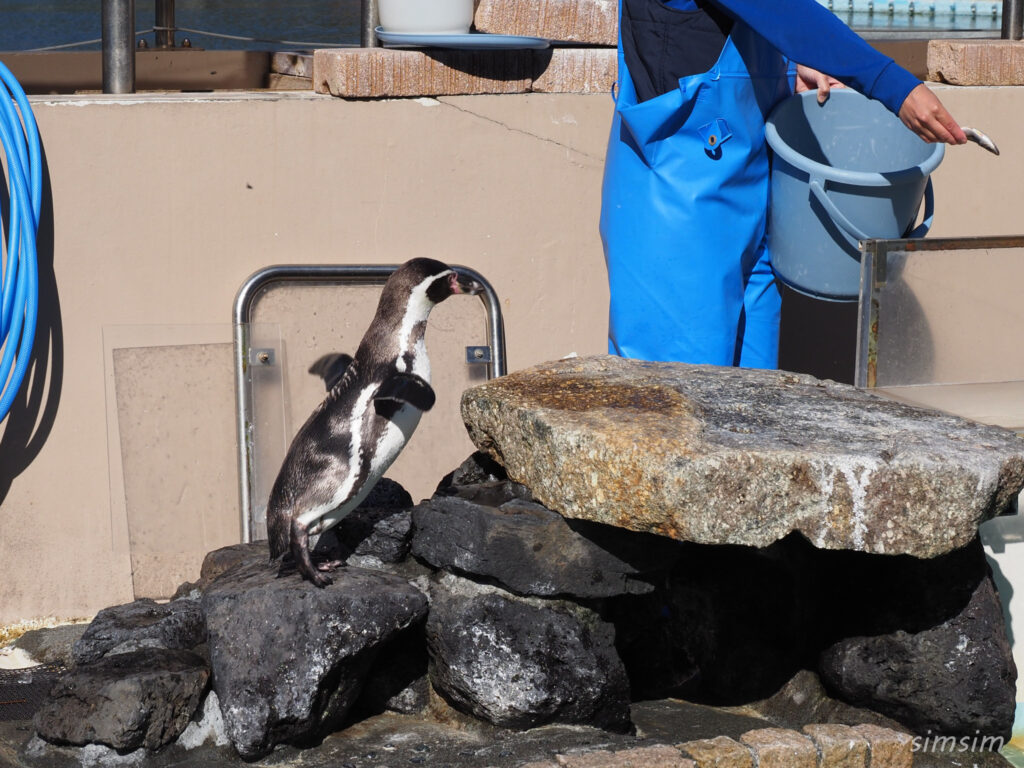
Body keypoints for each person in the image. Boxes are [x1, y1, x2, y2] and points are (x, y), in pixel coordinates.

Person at [599, 0, 967, 369]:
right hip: (679, 212)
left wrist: (785, 65)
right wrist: (890, 83)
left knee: (753, 396)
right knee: (673, 391)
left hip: (754, 207)